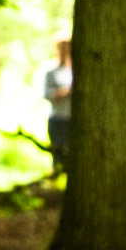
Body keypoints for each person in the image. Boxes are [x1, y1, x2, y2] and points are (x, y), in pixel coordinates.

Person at [43, 38, 73, 173]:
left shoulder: (78, 70)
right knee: (58, 154)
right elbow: (47, 94)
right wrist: (65, 92)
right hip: (58, 119)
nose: (65, 51)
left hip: (74, 120)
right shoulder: (51, 71)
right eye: (62, 48)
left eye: (67, 48)